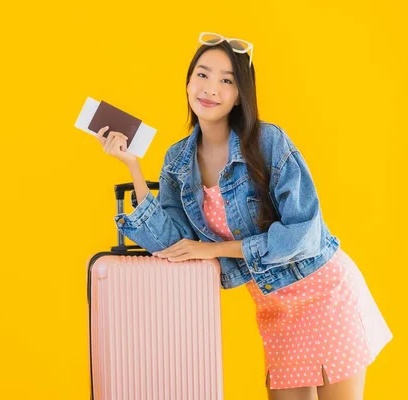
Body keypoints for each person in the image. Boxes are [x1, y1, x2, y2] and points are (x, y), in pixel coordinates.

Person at [95, 32, 392, 400]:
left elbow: (304, 235)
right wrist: (133, 169)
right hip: (274, 310)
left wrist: (214, 250)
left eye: (226, 80)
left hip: (324, 292)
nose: (211, 88)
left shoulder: (268, 142)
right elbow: (175, 246)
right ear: (188, 82)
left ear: (239, 95)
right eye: (202, 75)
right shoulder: (177, 161)